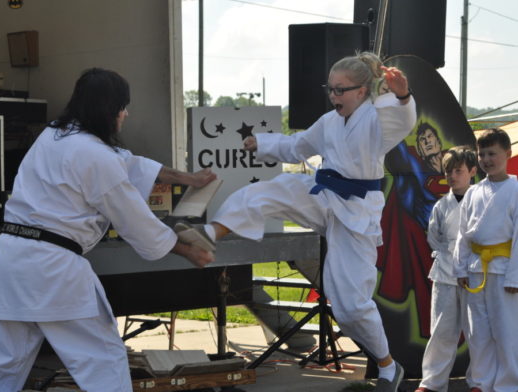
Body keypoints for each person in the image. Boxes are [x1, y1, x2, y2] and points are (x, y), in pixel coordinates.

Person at [0, 68, 216, 392]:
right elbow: (133, 218)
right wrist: (186, 249)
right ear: (108, 110)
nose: (126, 114)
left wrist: (188, 179)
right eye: (123, 107)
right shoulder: (94, 154)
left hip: (13, 260)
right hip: (54, 269)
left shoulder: (53, 136)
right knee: (102, 361)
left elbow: (127, 162)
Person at [176, 52, 416, 391]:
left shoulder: (376, 121)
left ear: (362, 91)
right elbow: (298, 146)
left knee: (350, 307)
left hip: (356, 214)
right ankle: (209, 233)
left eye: (341, 90)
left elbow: (401, 122)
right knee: (271, 190)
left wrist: (403, 96)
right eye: (330, 90)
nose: (333, 97)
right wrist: (262, 143)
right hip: (323, 193)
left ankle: (389, 366)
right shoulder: (330, 122)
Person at [454, 128, 518, 392]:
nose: (487, 159)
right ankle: (480, 382)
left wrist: (516, 275)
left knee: (506, 331)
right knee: (477, 331)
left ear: (508, 153)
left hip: (504, 271)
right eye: (482, 154)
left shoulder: (515, 188)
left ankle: (508, 384)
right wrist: (460, 267)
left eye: (492, 153)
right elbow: (463, 233)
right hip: (476, 268)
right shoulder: (473, 192)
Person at [415, 146, 477, 392]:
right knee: (441, 331)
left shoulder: (482, 201)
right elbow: (434, 238)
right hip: (445, 271)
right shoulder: (441, 206)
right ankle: (432, 383)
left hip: (475, 272)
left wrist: (466, 260)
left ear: (472, 171)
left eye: (458, 171)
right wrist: (453, 256)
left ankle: (479, 382)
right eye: (449, 171)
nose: (452, 176)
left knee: (478, 333)